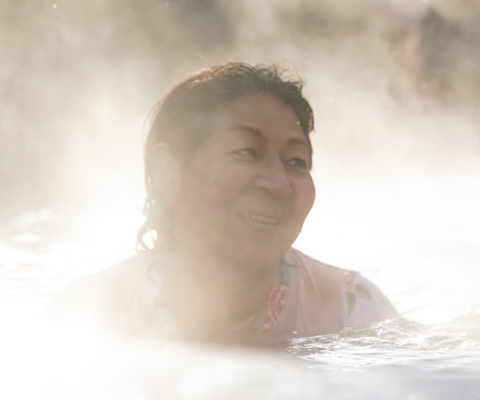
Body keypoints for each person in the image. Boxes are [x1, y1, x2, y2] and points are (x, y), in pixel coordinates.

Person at [61, 62, 398, 346]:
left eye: (296, 162)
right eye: (247, 152)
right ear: (169, 173)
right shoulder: (90, 314)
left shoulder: (351, 312)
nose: (278, 185)